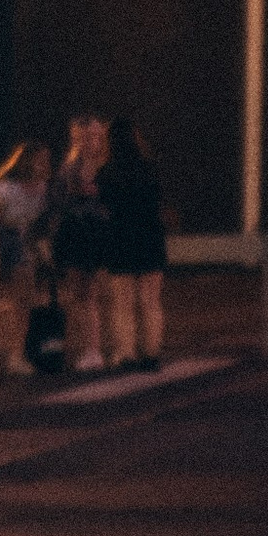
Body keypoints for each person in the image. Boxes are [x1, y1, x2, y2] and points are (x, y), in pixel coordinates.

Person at [0, 139, 52, 375]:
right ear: (27, 163)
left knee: (23, 300)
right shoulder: (7, 187)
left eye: (47, 160)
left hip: (16, 236)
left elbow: (33, 224)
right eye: (40, 160)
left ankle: (17, 356)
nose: (46, 164)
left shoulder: (43, 188)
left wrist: (36, 251)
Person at [46, 115, 114, 372]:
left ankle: (116, 347)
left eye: (91, 137)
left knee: (107, 292)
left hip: (102, 233)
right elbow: (57, 201)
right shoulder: (69, 167)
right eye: (78, 137)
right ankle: (90, 349)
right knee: (80, 294)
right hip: (75, 233)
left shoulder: (109, 165)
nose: (85, 142)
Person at [99, 116, 167, 368]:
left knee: (123, 302)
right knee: (151, 300)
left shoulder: (106, 172)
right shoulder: (150, 168)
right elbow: (159, 200)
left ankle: (126, 354)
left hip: (120, 236)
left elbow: (104, 206)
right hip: (150, 235)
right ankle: (151, 354)